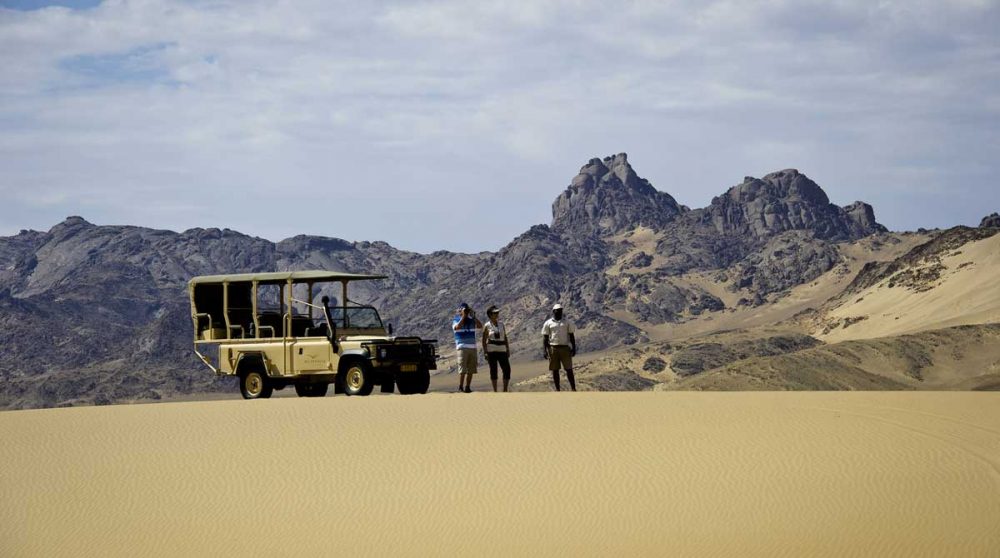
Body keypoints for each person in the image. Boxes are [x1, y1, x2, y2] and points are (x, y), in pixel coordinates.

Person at [541, 303, 577, 391]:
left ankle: (573, 389)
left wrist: (574, 347)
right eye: (557, 311)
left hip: (565, 348)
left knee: (569, 369)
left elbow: (571, 335)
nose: (559, 312)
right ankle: (558, 390)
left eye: (560, 310)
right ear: (553, 311)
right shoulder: (548, 323)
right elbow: (545, 337)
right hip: (553, 348)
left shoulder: (567, 322)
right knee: (555, 370)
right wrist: (544, 350)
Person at [452, 302, 482, 393]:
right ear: (460, 311)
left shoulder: (471, 320)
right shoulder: (456, 319)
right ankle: (460, 386)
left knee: (471, 369)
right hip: (462, 347)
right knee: (462, 369)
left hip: (472, 347)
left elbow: (480, 326)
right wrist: (464, 316)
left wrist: (473, 316)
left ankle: (467, 386)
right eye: (464, 310)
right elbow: (457, 327)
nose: (466, 312)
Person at [481, 305, 512, 392]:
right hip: (491, 351)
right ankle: (495, 390)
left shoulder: (501, 324)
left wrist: (507, 349)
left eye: (497, 313)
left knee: (507, 369)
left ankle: (505, 389)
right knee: (493, 370)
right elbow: (483, 340)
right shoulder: (487, 326)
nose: (497, 314)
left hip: (502, 350)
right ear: (490, 315)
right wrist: (485, 352)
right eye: (495, 313)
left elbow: (505, 337)